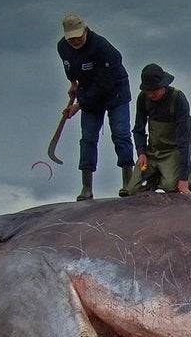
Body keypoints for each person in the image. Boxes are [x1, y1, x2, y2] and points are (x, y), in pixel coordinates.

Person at [57, 13, 135, 201]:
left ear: (85, 29)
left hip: (114, 91)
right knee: (88, 138)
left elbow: (104, 85)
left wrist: (79, 105)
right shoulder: (63, 47)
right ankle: (86, 188)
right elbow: (70, 68)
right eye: (71, 38)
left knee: (120, 134)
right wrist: (73, 84)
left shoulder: (102, 48)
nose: (75, 41)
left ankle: (129, 184)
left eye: (78, 36)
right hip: (87, 92)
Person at [122, 63, 191, 196]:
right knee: (131, 191)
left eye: (155, 90)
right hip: (153, 151)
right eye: (148, 91)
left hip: (173, 149)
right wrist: (141, 152)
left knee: (171, 187)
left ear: (164, 85)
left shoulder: (178, 99)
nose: (151, 94)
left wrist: (183, 178)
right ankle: (156, 177)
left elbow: (185, 140)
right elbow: (138, 130)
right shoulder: (143, 98)